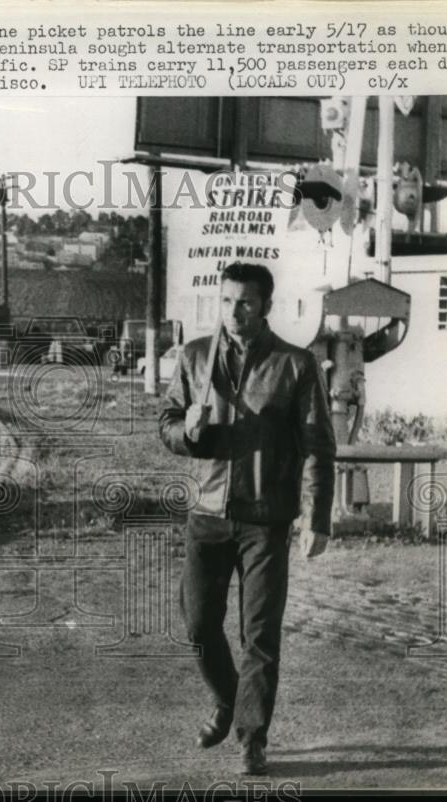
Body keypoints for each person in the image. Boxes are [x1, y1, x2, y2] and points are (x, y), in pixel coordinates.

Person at [158, 262, 336, 775]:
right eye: (228, 301)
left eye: (246, 303)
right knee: (197, 625)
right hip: (207, 516)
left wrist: (316, 519)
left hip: (265, 520)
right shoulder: (195, 357)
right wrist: (186, 429)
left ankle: (251, 739)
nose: (235, 312)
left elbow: (318, 447)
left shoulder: (295, 365)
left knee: (259, 634)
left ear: (266, 307)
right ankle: (229, 699)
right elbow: (166, 425)